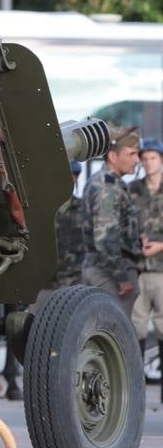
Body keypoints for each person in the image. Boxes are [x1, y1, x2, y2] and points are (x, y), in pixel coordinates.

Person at [81, 127, 142, 314]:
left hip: (104, 268)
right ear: (113, 157)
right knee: (116, 334)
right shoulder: (107, 187)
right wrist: (121, 277)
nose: (137, 160)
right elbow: (105, 237)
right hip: (110, 273)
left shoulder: (106, 182)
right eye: (131, 154)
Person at [127, 140, 163, 398]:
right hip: (137, 269)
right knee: (135, 328)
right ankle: (135, 389)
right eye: (145, 158)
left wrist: (160, 246)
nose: (148, 162)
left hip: (161, 271)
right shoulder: (132, 191)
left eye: (153, 157)